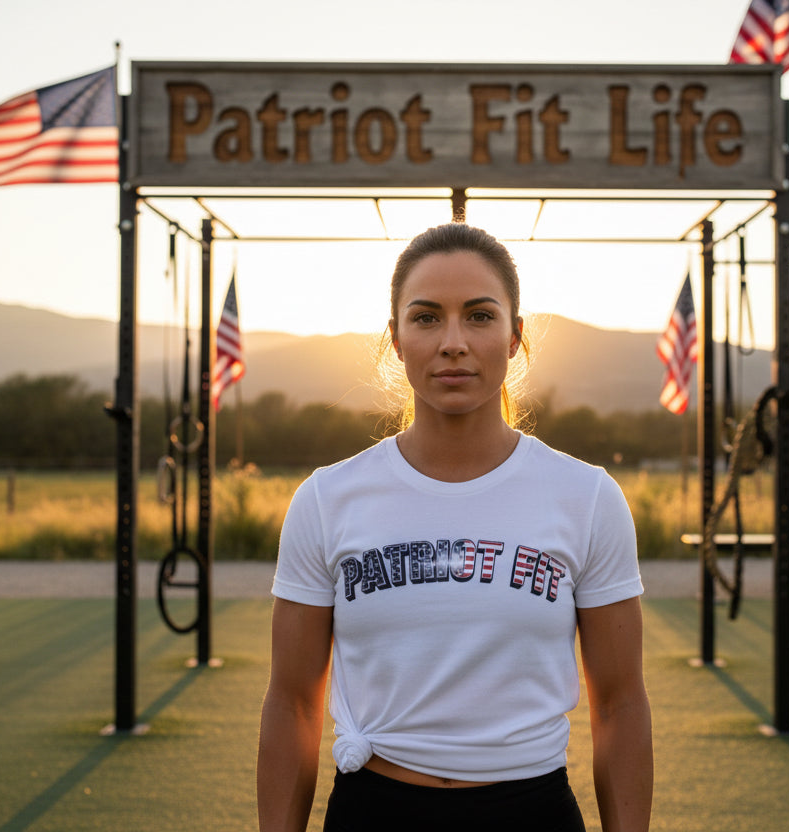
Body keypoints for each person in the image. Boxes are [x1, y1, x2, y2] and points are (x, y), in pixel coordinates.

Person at [256, 222, 652, 832]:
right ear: (395, 339)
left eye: (479, 316)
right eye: (426, 317)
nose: (453, 342)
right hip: (374, 809)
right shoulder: (327, 499)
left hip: (531, 811)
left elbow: (621, 705)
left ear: (516, 337)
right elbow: (291, 703)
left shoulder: (588, 496)